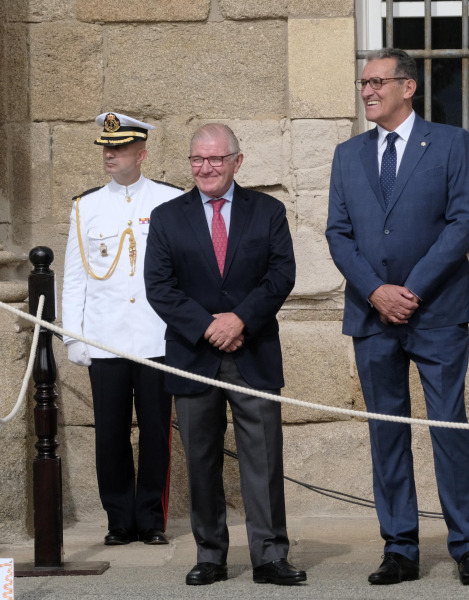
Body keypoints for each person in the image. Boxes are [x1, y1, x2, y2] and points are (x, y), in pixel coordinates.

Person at [326, 48, 469, 586]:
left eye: (378, 81)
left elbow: (462, 222)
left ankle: (467, 545)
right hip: (372, 317)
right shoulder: (348, 155)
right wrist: (376, 291)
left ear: (408, 87)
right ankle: (399, 547)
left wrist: (411, 290)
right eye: (363, 82)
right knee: (387, 433)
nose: (368, 91)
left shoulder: (448, 142)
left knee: (448, 427)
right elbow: (338, 233)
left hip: (436, 311)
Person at [143, 123, 304, 587]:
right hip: (194, 355)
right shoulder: (168, 216)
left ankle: (270, 556)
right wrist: (209, 326)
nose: (206, 168)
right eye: (198, 160)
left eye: (216, 159)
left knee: (263, 460)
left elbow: (281, 274)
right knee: (201, 460)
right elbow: (159, 287)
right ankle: (210, 554)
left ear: (237, 160)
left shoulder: (268, 211)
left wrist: (240, 320)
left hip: (253, 352)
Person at [62, 112, 182, 547]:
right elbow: (75, 278)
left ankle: (151, 518)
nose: (110, 154)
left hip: (155, 337)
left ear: (141, 153)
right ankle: (118, 518)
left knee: (156, 432)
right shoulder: (86, 206)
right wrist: (73, 335)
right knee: (110, 433)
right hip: (105, 338)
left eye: (120, 148)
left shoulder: (171, 201)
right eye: (106, 148)